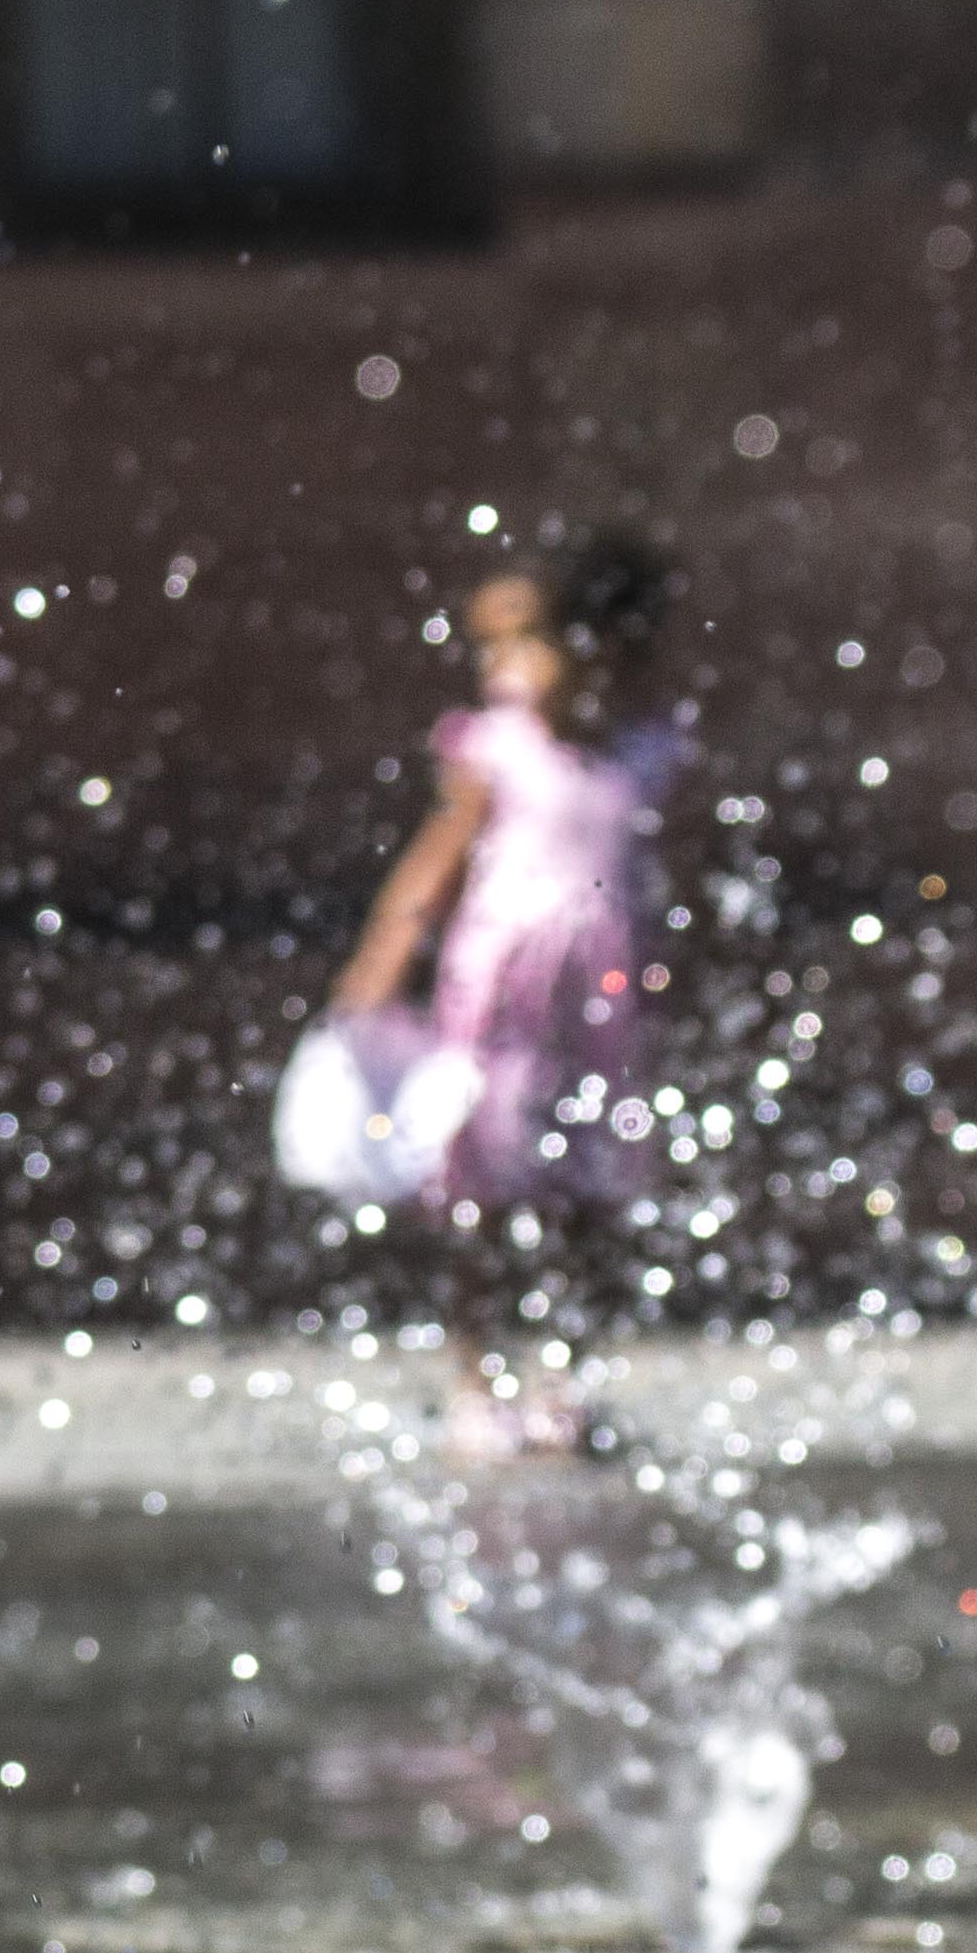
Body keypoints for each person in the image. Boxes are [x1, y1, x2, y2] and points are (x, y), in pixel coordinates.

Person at [291, 537, 691, 1432]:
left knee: (592, 1181)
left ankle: (565, 1378)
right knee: (482, 1176)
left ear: (595, 652)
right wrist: (373, 975)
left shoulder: (644, 751)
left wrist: (688, 967)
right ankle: (475, 1376)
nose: (507, 668)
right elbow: (436, 863)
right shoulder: (499, 747)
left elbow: (674, 869)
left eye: (528, 644)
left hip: (603, 997)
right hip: (505, 991)